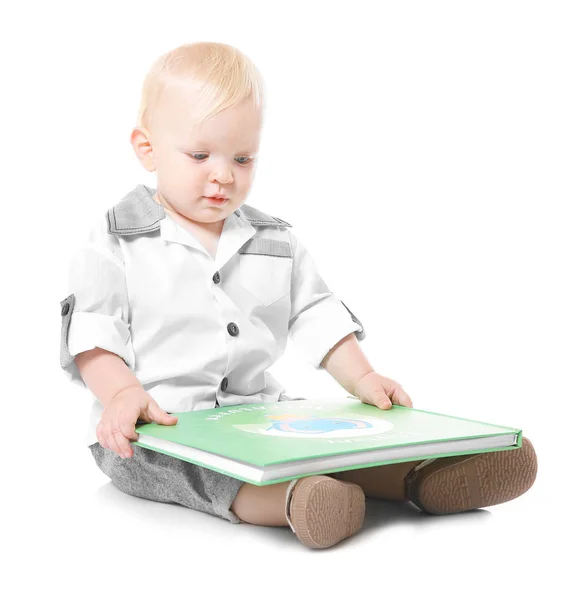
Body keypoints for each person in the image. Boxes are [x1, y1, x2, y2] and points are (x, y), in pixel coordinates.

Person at [59, 41, 538, 550]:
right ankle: (297, 503)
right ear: (147, 148)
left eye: (242, 158)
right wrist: (122, 394)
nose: (223, 175)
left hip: (255, 415)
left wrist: (363, 375)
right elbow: (95, 334)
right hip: (152, 429)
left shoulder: (275, 240)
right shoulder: (116, 239)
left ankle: (416, 479)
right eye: (200, 155)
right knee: (199, 472)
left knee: (321, 440)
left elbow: (315, 312)